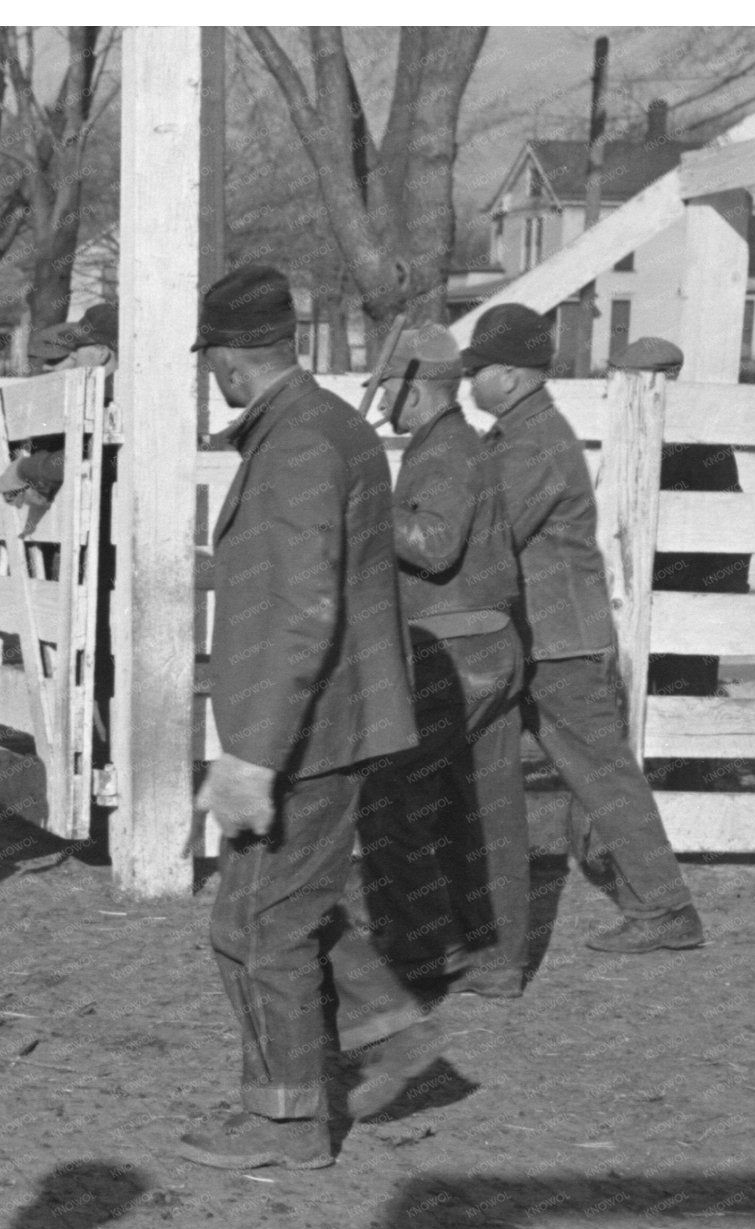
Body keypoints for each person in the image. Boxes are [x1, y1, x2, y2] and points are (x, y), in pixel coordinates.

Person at [175, 264, 441, 1172]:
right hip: (328, 723)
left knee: (257, 929)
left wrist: (253, 753)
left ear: (229, 363)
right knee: (283, 907)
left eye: (210, 359)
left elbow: (300, 612)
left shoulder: (296, 447)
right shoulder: (320, 425)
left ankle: (287, 1123)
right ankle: (392, 1030)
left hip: (308, 733)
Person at [461, 304, 705, 954]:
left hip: (558, 643)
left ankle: (666, 906)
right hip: (552, 638)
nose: (469, 381)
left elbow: (488, 533)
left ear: (510, 376)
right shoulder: (521, 434)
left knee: (601, 774)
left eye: (477, 370)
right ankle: (653, 900)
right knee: (593, 773)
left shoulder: (533, 442)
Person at [356, 324, 530, 999]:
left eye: (392, 395)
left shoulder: (446, 452)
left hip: (454, 654)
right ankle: (496, 959)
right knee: (486, 808)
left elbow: (432, 544)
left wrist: (364, 499)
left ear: (417, 391)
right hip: (484, 644)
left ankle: (423, 955)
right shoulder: (452, 445)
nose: (386, 409)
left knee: (393, 797)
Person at [0, 302, 118, 513]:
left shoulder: (104, 399)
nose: (72, 355)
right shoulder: (110, 394)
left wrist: (23, 469)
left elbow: (84, 459)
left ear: (101, 352)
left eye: (77, 348)